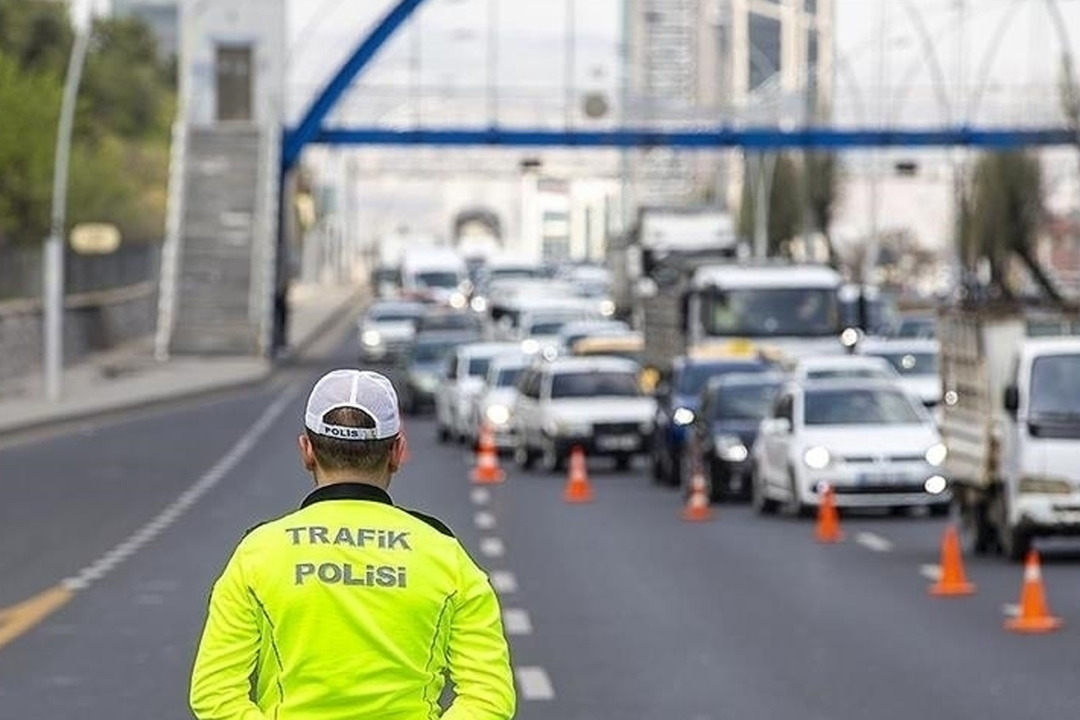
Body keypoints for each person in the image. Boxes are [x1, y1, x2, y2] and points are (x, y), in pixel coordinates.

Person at [189, 369, 516, 720]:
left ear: (307, 450)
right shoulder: (445, 555)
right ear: (397, 452)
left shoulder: (258, 553)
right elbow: (489, 697)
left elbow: (214, 693)